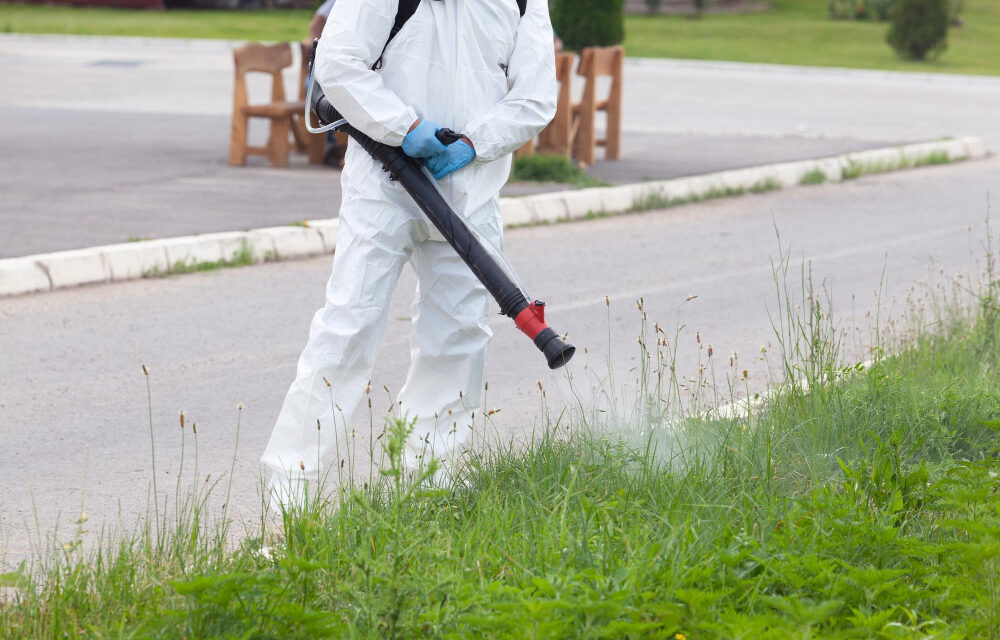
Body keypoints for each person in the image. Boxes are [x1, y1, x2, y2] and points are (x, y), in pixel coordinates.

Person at [261, 0, 557, 507]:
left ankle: (427, 488)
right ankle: (291, 494)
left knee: (458, 337)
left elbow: (535, 97)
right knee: (349, 328)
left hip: (471, 195)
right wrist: (405, 127)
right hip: (384, 190)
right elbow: (338, 62)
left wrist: (474, 143)